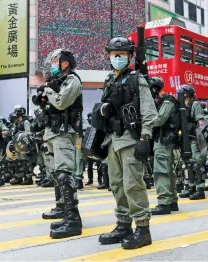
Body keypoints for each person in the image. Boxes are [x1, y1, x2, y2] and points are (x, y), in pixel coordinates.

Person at [93, 37, 157, 249]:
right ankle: (123, 224)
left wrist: (145, 138)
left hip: (131, 140)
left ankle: (142, 228)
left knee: (133, 185)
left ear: (130, 56)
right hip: (112, 140)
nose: (117, 57)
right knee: (117, 185)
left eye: (121, 53)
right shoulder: (110, 80)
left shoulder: (137, 79)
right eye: (113, 54)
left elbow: (148, 113)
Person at [33, 49, 84, 239]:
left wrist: (47, 90)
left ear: (65, 63)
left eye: (56, 60)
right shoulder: (58, 82)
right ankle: (62, 208)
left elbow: (61, 103)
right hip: (53, 133)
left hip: (64, 133)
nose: (53, 63)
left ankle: (73, 220)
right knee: (57, 173)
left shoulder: (73, 80)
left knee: (65, 174)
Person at [149, 76, 180, 215]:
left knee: (161, 171)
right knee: (169, 171)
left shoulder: (167, 101)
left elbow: (160, 120)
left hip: (163, 141)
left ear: (155, 89)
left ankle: (164, 203)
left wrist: (145, 122)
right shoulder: (163, 101)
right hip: (165, 141)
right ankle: (172, 201)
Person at [177, 85, 206, 200]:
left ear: (186, 94)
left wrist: (200, 138)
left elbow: (201, 122)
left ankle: (200, 189)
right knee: (188, 164)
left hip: (194, 138)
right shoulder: (181, 106)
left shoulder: (195, 105)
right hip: (185, 139)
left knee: (197, 163)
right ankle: (191, 187)